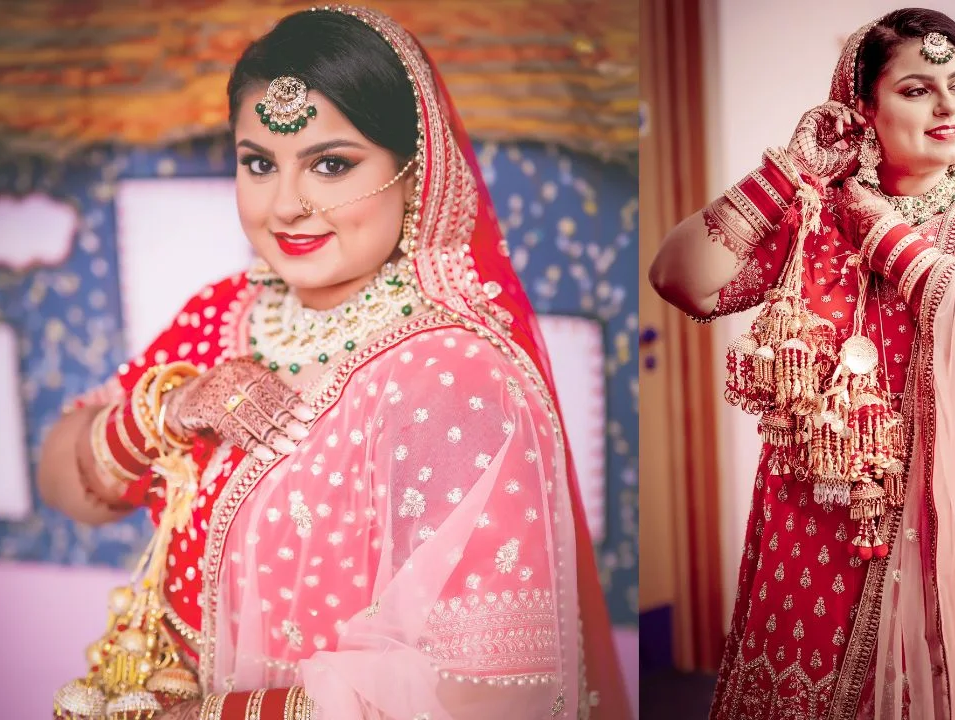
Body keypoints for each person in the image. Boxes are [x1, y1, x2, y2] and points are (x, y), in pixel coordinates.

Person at [41, 6, 627, 719]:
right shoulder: (221, 315)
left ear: (415, 173)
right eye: (258, 163)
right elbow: (67, 485)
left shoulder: (453, 374)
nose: (286, 205)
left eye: (331, 164)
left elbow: (488, 696)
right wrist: (168, 409)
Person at [649, 8, 955, 719]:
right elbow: (683, 278)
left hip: (946, 525)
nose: (948, 106)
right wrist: (788, 172)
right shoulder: (816, 214)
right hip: (814, 516)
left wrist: (881, 232)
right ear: (861, 108)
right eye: (915, 89)